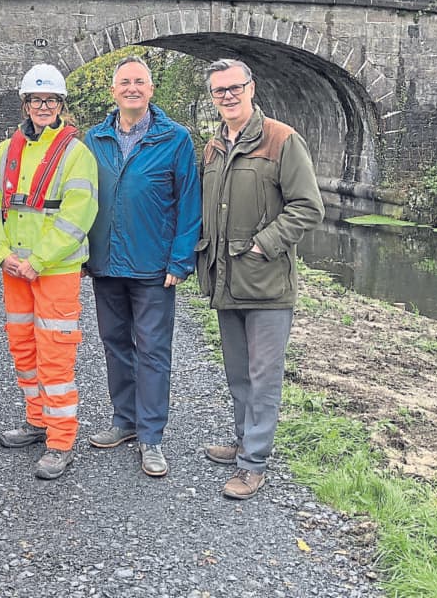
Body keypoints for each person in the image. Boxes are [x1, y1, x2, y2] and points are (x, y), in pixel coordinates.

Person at [197, 58, 324, 499]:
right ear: (213, 97)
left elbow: (308, 206)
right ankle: (242, 442)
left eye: (234, 87)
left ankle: (254, 463)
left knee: (263, 375)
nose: (228, 96)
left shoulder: (282, 139)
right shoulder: (213, 147)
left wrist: (263, 243)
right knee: (237, 373)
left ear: (251, 88)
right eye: (219, 91)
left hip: (267, 282)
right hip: (227, 279)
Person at [82, 56, 201, 478]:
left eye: (140, 82)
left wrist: (181, 258)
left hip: (154, 267)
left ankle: (151, 436)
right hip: (106, 263)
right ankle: (124, 421)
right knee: (115, 344)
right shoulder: (94, 139)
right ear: (113, 91)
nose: (131, 88)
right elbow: (80, 197)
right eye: (124, 82)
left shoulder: (175, 139)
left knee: (152, 351)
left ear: (151, 91)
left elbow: (190, 202)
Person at [0, 64, 98, 480]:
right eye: (36, 100)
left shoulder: (75, 153)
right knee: (24, 348)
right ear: (25, 104)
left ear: (61, 105)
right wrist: (1, 254)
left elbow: (77, 216)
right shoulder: (7, 149)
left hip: (55, 270)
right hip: (15, 269)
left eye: (50, 101)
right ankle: (37, 418)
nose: (43, 107)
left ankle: (61, 439)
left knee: (56, 354)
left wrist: (38, 260)